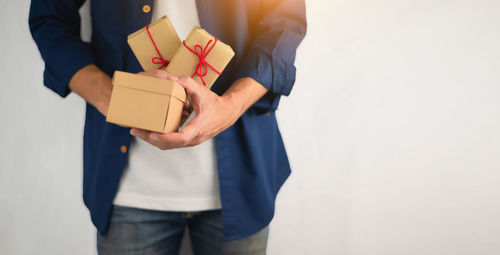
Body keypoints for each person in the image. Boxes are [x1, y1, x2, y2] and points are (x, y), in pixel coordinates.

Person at [29, 0, 306, 254]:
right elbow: (49, 19)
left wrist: (230, 106)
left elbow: (285, 20)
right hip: (127, 187)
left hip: (243, 178)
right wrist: (114, 98)